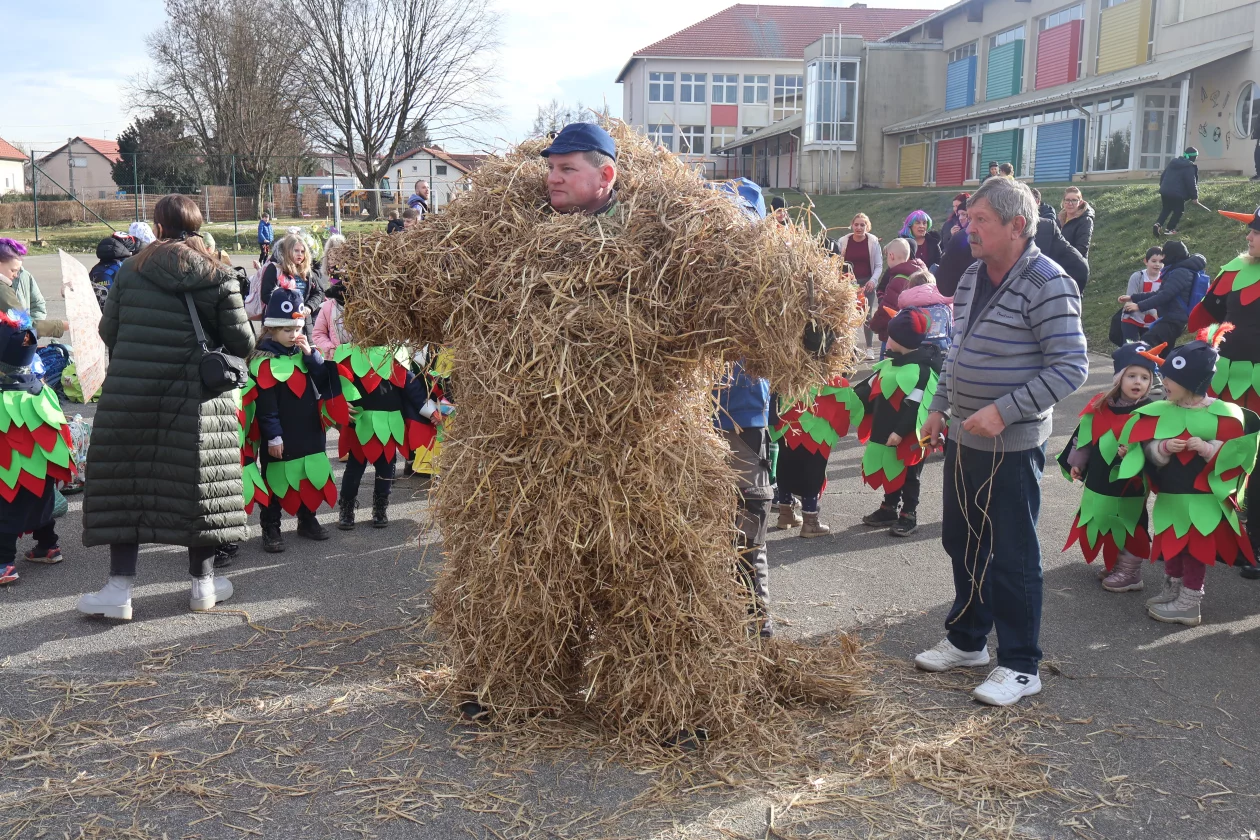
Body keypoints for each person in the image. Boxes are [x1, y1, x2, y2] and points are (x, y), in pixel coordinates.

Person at [916, 176, 1089, 706]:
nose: (967, 229)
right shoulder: (972, 275)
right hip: (963, 437)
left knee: (1011, 555)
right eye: (968, 218)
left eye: (980, 220)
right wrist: (939, 406)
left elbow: (1071, 366)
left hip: (1010, 444)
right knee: (962, 541)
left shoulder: (1049, 281)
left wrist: (1004, 411)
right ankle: (968, 640)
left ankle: (1020, 664)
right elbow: (957, 350)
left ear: (1017, 226)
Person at [76, 194, 254, 620]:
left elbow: (108, 331)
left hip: (131, 392)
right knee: (200, 485)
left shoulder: (130, 271)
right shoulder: (218, 274)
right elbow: (243, 343)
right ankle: (203, 586)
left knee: (127, 483)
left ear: (157, 228)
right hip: (198, 399)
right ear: (198, 226)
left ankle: (118, 590)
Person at [1116, 331, 1260, 626]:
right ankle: (1173, 589)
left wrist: (1207, 448)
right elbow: (1146, 447)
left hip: (1202, 499)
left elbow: (1236, 453)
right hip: (1171, 495)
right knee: (1172, 543)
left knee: (1195, 549)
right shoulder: (1161, 410)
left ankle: (1190, 601)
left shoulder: (1224, 413)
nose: (1163, 382)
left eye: (1169, 378)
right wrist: (1162, 448)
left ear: (1191, 381)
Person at [1189, 206, 1260, 579]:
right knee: (1223, 453)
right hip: (1228, 380)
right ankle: (1221, 538)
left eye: (1257, 232)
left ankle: (1256, 546)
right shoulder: (1235, 270)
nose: (1249, 236)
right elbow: (1208, 314)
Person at [247, 279, 340, 553]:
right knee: (277, 477)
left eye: (297, 329)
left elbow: (323, 380)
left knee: (307, 472)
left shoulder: (304, 353)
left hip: (308, 427)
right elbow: (266, 406)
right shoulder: (263, 360)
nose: (293, 335)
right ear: (271, 329)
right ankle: (271, 526)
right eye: (287, 330)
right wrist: (273, 436)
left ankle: (307, 518)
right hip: (281, 432)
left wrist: (311, 355)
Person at [1059, 343, 1157, 591]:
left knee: (1129, 519)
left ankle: (1131, 571)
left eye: (1145, 377)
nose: (1138, 382)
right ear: (1119, 378)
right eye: (1132, 375)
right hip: (1101, 476)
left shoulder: (1150, 412)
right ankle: (1115, 563)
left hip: (1130, 481)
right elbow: (1084, 438)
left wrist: (1135, 453)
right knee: (1104, 515)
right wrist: (1078, 464)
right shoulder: (1101, 406)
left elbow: (1156, 446)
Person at [0, 310, 76, 586]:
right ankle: (48, 546)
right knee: (40, 500)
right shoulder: (42, 391)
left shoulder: (3, 399)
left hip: (8, 472)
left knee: (6, 510)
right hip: (42, 468)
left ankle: (4, 563)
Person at [856, 306, 942, 537]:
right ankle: (889, 507)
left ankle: (909, 513)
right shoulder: (891, 364)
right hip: (887, 430)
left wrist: (900, 432)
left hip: (912, 435)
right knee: (890, 466)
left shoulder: (921, 371)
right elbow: (867, 391)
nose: (886, 340)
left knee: (911, 474)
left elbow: (915, 406)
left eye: (889, 336)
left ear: (900, 341)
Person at [333, 342, 432, 530]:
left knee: (386, 467)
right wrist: (339, 402)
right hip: (360, 422)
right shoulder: (350, 353)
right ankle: (346, 509)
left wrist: (431, 411)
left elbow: (412, 387)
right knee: (354, 467)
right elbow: (337, 383)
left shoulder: (395, 354)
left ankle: (380, 508)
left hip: (389, 423)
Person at [770, 378, 861, 538]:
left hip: (788, 427)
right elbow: (853, 410)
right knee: (812, 470)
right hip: (817, 430)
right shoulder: (834, 383)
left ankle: (786, 515)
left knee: (785, 464)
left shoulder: (784, 378)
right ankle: (810, 523)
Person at [1119, 239, 1203, 350]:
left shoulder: (1180, 272)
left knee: (1144, 345)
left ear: (1173, 255)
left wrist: (1139, 306)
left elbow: (1164, 296)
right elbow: (1159, 293)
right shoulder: (1179, 270)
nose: (1163, 258)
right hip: (1171, 318)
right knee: (1163, 352)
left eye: (1165, 255)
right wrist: (1133, 297)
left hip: (1173, 320)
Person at [834, 214, 882, 360]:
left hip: (867, 283)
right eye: (856, 224)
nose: (859, 228)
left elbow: (879, 265)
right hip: (849, 284)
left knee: (867, 316)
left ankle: (869, 348)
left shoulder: (873, 242)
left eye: (862, 225)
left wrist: (873, 281)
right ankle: (851, 348)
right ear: (852, 225)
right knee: (849, 316)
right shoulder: (843, 241)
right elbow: (837, 263)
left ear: (867, 227)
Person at [260, 234, 326, 338]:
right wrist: (289, 307)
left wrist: (309, 307)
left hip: (303, 324)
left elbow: (318, 293)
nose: (300, 254)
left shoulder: (307, 271)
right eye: (296, 251)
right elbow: (266, 295)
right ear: (287, 251)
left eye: (302, 251)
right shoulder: (275, 268)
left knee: (303, 348)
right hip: (279, 324)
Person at [0, 240, 69, 339]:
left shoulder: (22, 277)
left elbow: (37, 304)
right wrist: (63, 326)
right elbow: (23, 323)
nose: (15, 275)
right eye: (13, 270)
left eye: (17, 271)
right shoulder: (2, 289)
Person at [868, 239, 926, 353]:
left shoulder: (898, 279)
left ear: (891, 256)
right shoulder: (920, 274)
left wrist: (874, 325)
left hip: (895, 336)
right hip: (915, 333)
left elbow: (886, 309)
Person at [897, 268, 953, 353]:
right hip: (940, 347)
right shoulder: (944, 296)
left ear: (911, 286)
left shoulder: (905, 301)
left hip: (911, 347)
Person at [1121, 247, 1164, 342]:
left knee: (1149, 349)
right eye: (1154, 261)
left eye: (1161, 261)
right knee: (1131, 348)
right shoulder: (1137, 277)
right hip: (1132, 319)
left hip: (1153, 323)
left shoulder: (1165, 279)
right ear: (1146, 261)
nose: (1157, 264)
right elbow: (1130, 300)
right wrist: (1153, 311)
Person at [1156, 147, 1199, 237]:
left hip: (1165, 191)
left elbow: (1163, 176)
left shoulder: (1173, 163)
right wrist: (1194, 197)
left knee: (1166, 209)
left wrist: (1163, 187)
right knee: (1179, 211)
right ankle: (1170, 229)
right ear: (1193, 157)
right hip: (1177, 193)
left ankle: (1158, 224)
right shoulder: (1189, 167)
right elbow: (1191, 183)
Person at [1059, 187, 1094, 257]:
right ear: (1063, 201)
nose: (1070, 203)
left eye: (1074, 200)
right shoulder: (1059, 218)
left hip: (1075, 261)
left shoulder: (1085, 221)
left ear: (1080, 202)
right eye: (1067, 200)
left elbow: (1082, 249)